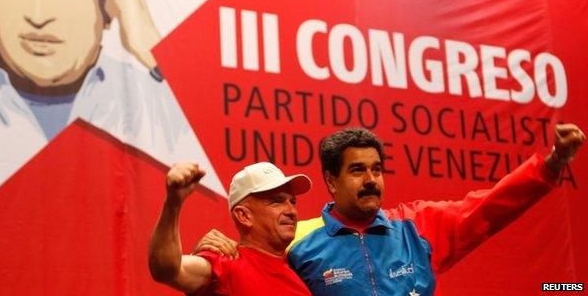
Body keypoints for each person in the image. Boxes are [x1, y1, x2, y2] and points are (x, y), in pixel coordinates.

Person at [0, 0, 222, 216]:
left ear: (108, 4)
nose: (38, 16)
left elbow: (213, 149)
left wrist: (152, 53)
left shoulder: (152, 99)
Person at [196, 124, 585, 296]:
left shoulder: (418, 227)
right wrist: (224, 245)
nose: (371, 180)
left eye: (377, 169)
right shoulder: (299, 241)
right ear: (331, 181)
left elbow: (490, 207)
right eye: (357, 170)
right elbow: (253, 265)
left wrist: (550, 163)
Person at [148, 161, 313, 295]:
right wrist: (173, 203)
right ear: (243, 216)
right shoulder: (226, 261)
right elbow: (167, 270)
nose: (291, 211)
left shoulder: (302, 267)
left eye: (293, 201)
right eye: (276, 201)